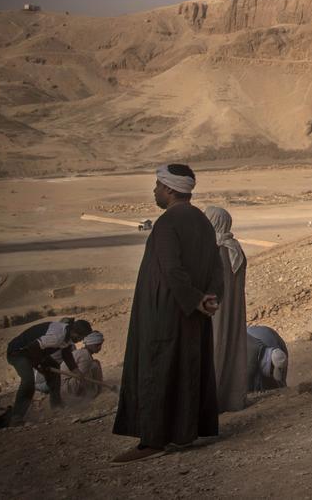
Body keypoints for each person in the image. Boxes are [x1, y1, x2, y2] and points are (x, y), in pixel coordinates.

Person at [112, 163, 224, 465]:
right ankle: (184, 432)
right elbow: (216, 266)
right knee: (186, 370)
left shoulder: (167, 223)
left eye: (158, 186)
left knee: (156, 370)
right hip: (193, 312)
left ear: (171, 189)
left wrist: (193, 299)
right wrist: (209, 300)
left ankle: (152, 440)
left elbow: (171, 269)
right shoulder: (202, 221)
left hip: (165, 312)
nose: (154, 191)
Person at [5, 318, 92, 425]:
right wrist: (39, 363)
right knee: (28, 381)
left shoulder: (67, 337)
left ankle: (57, 406)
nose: (80, 340)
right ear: (74, 332)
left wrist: (77, 372)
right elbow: (33, 347)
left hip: (35, 352)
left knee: (54, 369)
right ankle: (16, 417)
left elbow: (66, 355)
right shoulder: (57, 336)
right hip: (18, 352)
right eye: (80, 337)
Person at [204, 205, 248, 413]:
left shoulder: (215, 250)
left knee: (214, 350)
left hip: (214, 312)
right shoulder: (235, 248)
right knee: (230, 346)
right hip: (232, 312)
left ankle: (210, 401)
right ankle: (231, 399)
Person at [246, 325, 289, 392]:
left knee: (276, 382)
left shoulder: (277, 351)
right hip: (250, 335)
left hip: (270, 336)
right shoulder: (249, 364)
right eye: (272, 370)